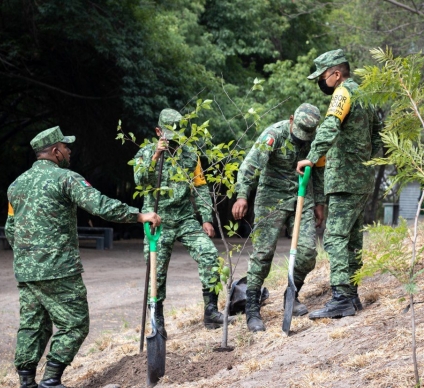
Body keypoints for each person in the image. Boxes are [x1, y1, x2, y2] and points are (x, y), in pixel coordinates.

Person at [6, 126, 161, 388]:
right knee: (76, 324)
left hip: (26, 271)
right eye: (65, 147)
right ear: (55, 151)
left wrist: (29, 257)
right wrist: (139, 216)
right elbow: (99, 205)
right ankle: (51, 382)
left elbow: (11, 228)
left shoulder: (16, 185)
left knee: (33, 326)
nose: (69, 151)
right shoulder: (66, 179)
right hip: (59, 269)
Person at [296, 49, 383, 320]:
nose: (322, 83)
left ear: (336, 74)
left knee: (334, 238)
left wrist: (310, 157)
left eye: (323, 77)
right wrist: (365, 166)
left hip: (345, 180)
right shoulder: (365, 96)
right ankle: (353, 297)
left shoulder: (343, 93)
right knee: (352, 239)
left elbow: (330, 126)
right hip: (361, 179)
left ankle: (342, 298)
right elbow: (378, 138)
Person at [133, 108, 234, 338]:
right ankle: (157, 320)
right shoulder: (145, 153)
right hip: (157, 221)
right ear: (158, 132)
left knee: (209, 254)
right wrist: (156, 157)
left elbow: (200, 186)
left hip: (185, 218)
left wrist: (206, 218)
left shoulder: (190, 155)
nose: (176, 142)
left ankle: (210, 311)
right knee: (156, 273)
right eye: (171, 136)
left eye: (179, 137)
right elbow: (139, 180)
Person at [232, 103, 325, 332]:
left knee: (307, 253)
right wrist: (242, 195)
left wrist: (320, 202)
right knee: (263, 254)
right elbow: (250, 165)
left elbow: (320, 170)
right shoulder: (274, 134)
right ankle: (252, 310)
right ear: (291, 119)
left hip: (303, 195)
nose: (302, 140)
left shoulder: (315, 139)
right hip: (271, 197)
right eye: (299, 133)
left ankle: (291, 297)